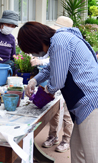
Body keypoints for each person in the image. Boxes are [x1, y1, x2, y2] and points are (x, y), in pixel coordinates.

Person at [19, 22, 98, 162]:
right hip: (86, 103)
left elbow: (58, 81)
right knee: (78, 149)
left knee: (95, 157)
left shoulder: (60, 41)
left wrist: (47, 91)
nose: (34, 54)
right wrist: (34, 80)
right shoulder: (60, 41)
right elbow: (52, 67)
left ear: (35, 41)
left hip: (93, 101)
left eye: (31, 50)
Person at [30, 16, 73, 153]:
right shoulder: (52, 43)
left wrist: (49, 89)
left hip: (66, 86)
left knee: (66, 114)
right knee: (55, 111)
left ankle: (66, 140)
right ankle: (52, 136)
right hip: (52, 82)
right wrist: (35, 78)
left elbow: (58, 65)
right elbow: (49, 63)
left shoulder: (65, 44)